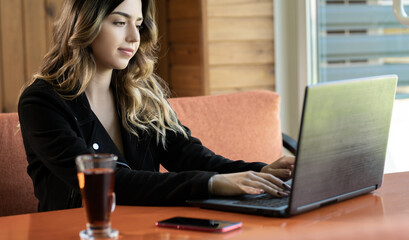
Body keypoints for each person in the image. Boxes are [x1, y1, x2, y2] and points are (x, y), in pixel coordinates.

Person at [18, 0, 295, 212]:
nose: (133, 37)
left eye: (137, 24)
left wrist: (260, 172)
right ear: (85, 24)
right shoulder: (41, 102)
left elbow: (187, 154)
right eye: (119, 22)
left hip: (145, 229)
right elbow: (107, 183)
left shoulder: (142, 91)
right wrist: (210, 184)